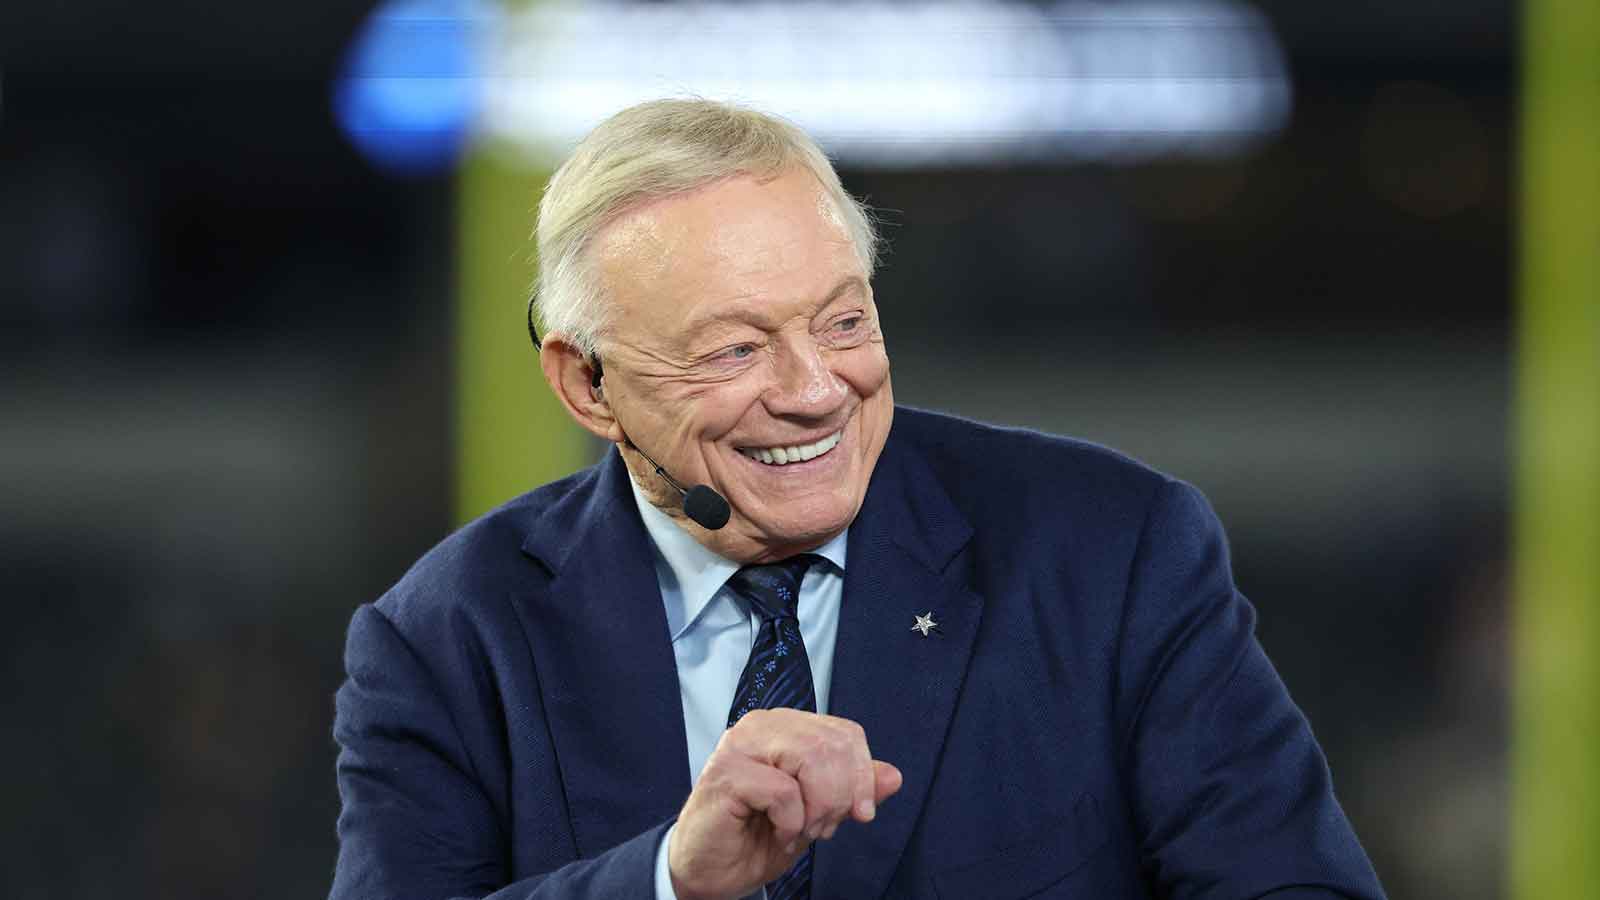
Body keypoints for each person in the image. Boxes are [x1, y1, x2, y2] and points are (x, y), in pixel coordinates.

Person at [330, 99, 1386, 900]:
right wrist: (668, 882)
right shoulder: (447, 637)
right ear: (587, 384)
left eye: (842, 323)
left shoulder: (1110, 552)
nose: (813, 392)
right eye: (734, 349)